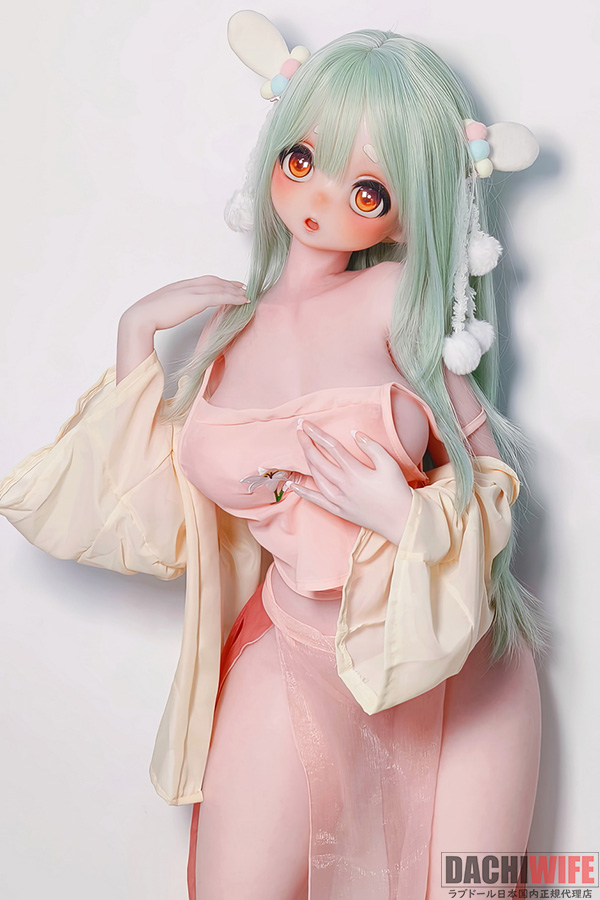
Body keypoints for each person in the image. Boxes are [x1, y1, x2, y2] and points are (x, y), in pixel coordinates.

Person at [0, 13, 549, 900]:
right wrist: (136, 337)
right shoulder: (226, 332)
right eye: (302, 159)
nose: (321, 198)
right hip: (296, 643)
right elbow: (140, 520)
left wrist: (403, 515)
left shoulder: (395, 297)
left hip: (444, 650)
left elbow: (493, 481)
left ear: (411, 207)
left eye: (367, 190)